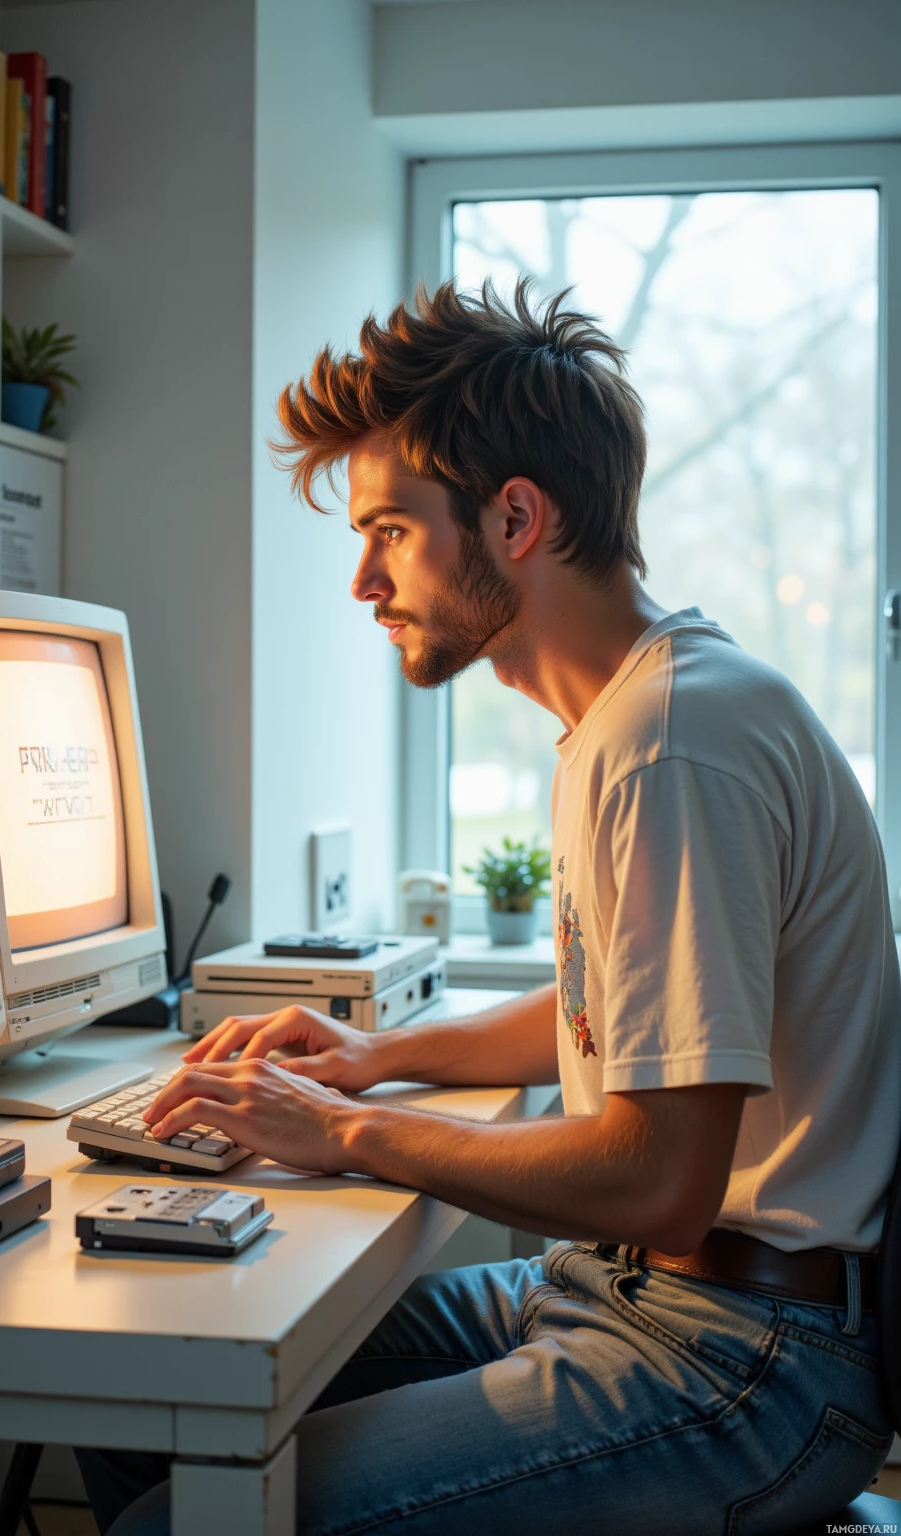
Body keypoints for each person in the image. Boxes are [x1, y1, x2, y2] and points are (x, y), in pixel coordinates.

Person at [77, 281, 900, 1535]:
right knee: (142, 1412)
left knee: (172, 1522)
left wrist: (341, 1131)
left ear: (515, 517)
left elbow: (658, 1180)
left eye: (392, 531)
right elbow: (610, 1011)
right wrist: (376, 1057)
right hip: (631, 1296)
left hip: (743, 1363)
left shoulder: (671, 742)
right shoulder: (631, 713)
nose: (363, 579)